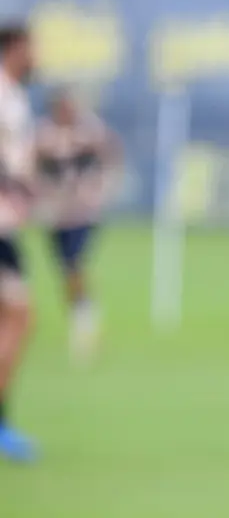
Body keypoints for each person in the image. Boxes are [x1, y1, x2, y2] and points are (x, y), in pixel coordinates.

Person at [34, 87, 123, 364]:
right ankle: (82, 318)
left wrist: (102, 187)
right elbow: (33, 165)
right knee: (65, 269)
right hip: (56, 213)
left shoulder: (90, 130)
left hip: (84, 212)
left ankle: (85, 325)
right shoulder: (44, 133)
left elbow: (111, 155)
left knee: (74, 264)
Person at [0, 23, 38, 463]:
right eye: (30, 48)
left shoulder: (16, 96)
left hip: (8, 225)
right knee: (20, 316)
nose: (36, 55)